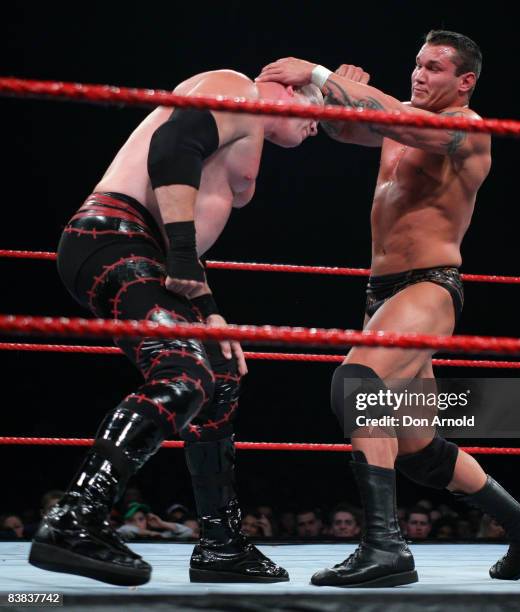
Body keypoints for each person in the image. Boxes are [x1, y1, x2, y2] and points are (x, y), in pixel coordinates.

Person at [257, 30, 520, 587]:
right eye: (417, 65)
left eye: (434, 69)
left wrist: (323, 76)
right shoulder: (398, 125)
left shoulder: (466, 130)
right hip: (382, 294)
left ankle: (386, 548)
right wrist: (336, 99)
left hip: (428, 288)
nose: (419, 76)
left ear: (464, 82)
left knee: (357, 383)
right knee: (416, 447)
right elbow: (348, 127)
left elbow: (398, 121)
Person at [28, 67, 320, 586]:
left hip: (148, 251)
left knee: (220, 375)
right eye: (321, 107)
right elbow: (172, 146)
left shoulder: (244, 131)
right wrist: (183, 256)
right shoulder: (237, 89)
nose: (321, 125)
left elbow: (178, 212)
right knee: (184, 375)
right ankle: (76, 515)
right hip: (115, 235)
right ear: (293, 89)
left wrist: (209, 311)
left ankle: (220, 546)